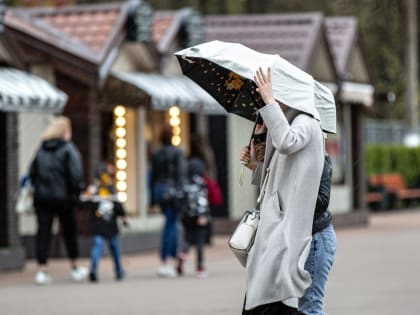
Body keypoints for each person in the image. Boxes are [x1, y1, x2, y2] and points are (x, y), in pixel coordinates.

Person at [239, 67, 324, 314]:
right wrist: (256, 164)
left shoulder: (306, 121)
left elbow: (287, 143)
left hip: (284, 233)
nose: (279, 97)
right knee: (267, 301)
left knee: (274, 301)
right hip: (276, 230)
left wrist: (269, 101)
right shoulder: (295, 123)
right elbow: (277, 178)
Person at [29, 116, 88, 285]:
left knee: (43, 232)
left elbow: (32, 173)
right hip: (64, 198)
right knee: (69, 231)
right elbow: (75, 175)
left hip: (42, 198)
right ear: (65, 132)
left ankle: (42, 269)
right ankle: (74, 266)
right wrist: (77, 195)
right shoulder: (69, 149)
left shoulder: (41, 149)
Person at [298, 153, 336, 315]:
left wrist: (294, 186)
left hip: (316, 238)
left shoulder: (319, 159)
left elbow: (322, 201)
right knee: (304, 306)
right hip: (305, 239)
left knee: (310, 307)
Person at [151, 125, 187, 277]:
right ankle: (169, 259)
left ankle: (167, 259)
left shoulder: (157, 153)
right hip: (173, 192)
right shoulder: (178, 153)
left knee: (169, 222)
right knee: (172, 225)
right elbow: (181, 174)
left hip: (159, 190)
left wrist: (152, 198)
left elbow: (153, 176)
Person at [83, 165, 128, 283]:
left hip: (102, 225)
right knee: (112, 249)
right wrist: (124, 217)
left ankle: (100, 270)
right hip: (107, 224)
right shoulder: (106, 189)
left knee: (101, 248)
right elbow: (118, 207)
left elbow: (118, 206)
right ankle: (117, 271)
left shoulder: (101, 190)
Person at [177, 158, 211, 278]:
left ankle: (182, 255)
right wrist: (202, 215)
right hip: (198, 216)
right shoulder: (200, 182)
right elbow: (202, 199)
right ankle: (200, 267)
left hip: (186, 216)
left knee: (187, 238)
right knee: (199, 242)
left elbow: (180, 198)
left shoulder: (184, 182)